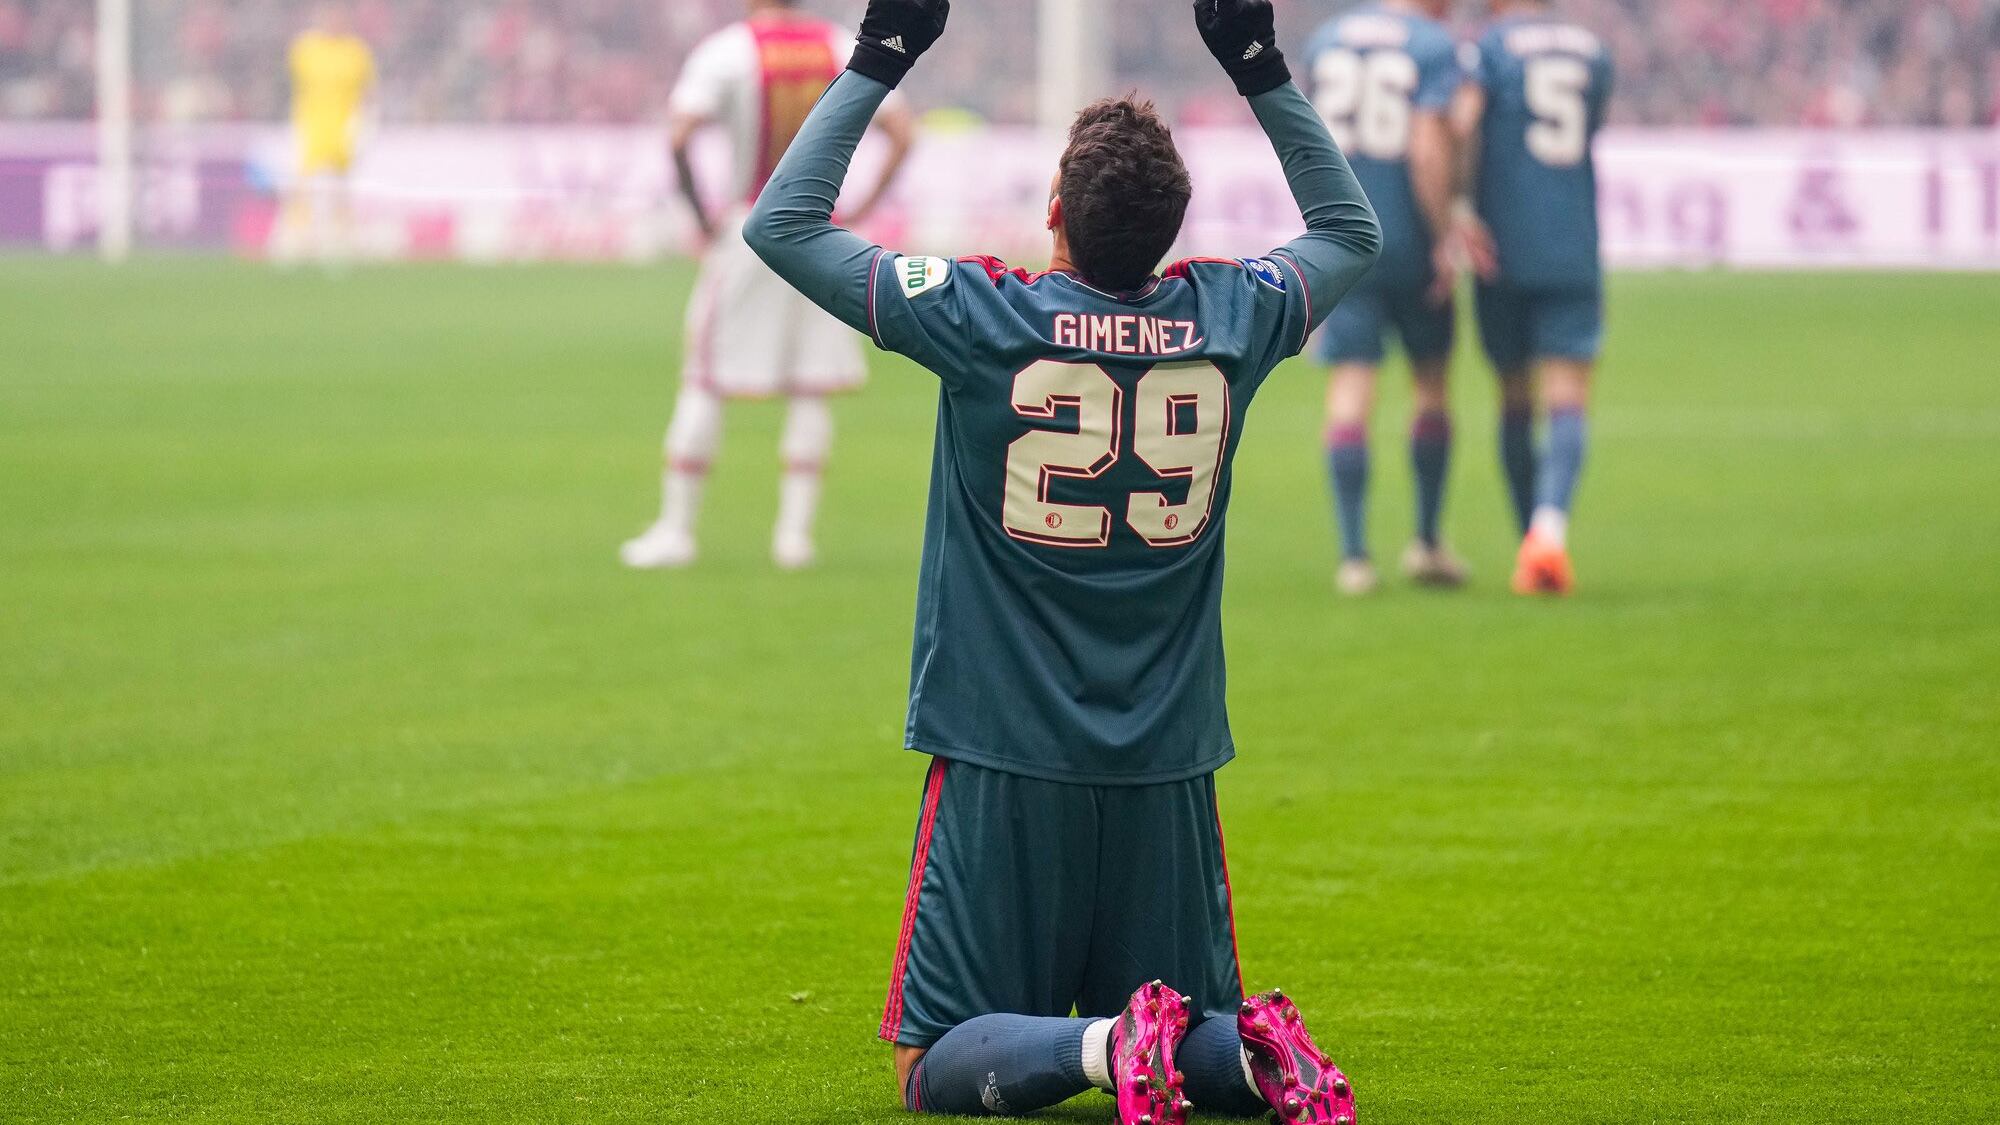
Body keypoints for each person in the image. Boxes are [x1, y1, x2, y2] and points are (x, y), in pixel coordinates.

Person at [746, 0, 1377, 1120]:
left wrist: (881, 55)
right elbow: (1348, 230)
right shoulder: (1230, 315)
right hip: (1167, 765)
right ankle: (1246, 1057)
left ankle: (1103, 1051)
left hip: (1003, 755)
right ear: (1172, 230)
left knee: (929, 1063)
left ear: (1054, 212)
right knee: (1193, 1021)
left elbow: (784, 225)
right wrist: (1259, 66)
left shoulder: (985, 319)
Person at [620, 0, 915, 571]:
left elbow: (680, 135)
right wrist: (862, 208)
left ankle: (677, 530)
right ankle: (794, 538)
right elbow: (903, 132)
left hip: (751, 228)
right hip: (825, 235)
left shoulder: (729, 51)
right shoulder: (836, 47)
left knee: (704, 378)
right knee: (811, 383)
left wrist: (703, 219)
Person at [1303, 0, 1471, 596]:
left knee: (1350, 389)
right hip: (1407, 237)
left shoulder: (1328, 40)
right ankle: (1426, 543)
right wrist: (1444, 235)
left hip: (1343, 241)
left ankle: (1354, 558)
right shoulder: (1430, 43)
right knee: (1430, 384)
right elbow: (1426, 149)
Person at [1451, 0, 1614, 595]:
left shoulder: (1486, 49)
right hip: (1573, 243)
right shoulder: (1592, 51)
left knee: (1514, 397)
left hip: (1503, 247)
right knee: (1569, 396)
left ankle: (1531, 541)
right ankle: (1547, 534)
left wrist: (1460, 207)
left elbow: (1463, 123)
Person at [282, 3, 373, 265]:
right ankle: (299, 244)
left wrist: (363, 127)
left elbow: (367, 95)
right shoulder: (304, 49)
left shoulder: (356, 52)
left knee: (339, 192)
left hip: (343, 134)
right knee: (305, 190)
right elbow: (293, 88)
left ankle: (342, 245)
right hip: (311, 131)